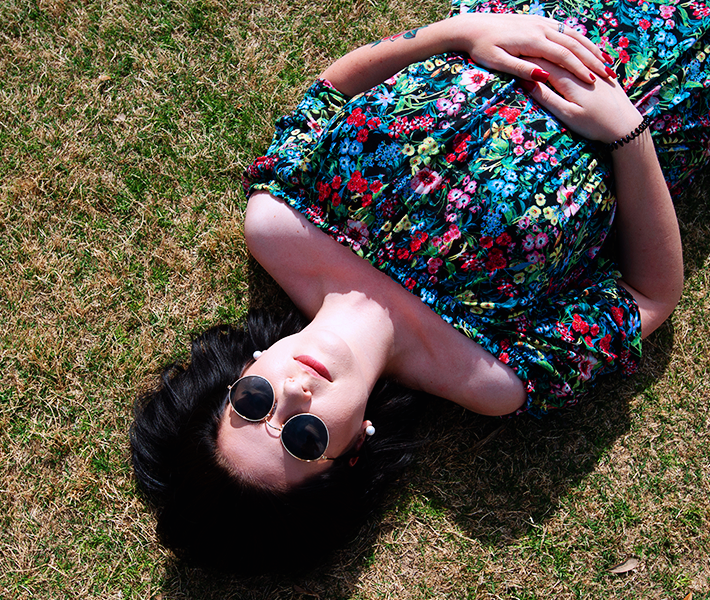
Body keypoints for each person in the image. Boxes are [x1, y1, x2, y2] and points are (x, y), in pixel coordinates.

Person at [131, 0, 710, 574]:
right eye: (303, 438)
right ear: (355, 449)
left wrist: (458, 32)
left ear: (240, 376)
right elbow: (648, 297)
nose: (293, 395)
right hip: (680, 69)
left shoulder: (277, 225)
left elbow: (330, 92)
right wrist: (627, 135)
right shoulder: (491, 374)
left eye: (253, 404)